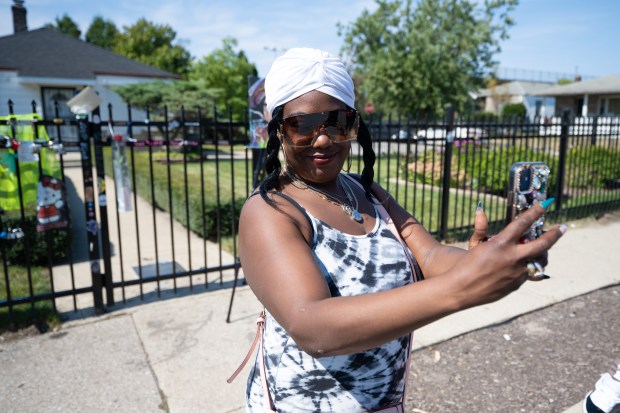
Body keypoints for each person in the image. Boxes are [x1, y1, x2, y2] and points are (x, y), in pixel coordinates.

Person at [237, 47, 566, 412]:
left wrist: (488, 261)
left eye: (337, 122)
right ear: (277, 128)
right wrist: (462, 288)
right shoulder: (270, 210)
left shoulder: (367, 193)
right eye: (302, 125)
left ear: (355, 124)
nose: (323, 139)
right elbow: (314, 328)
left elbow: (430, 255)